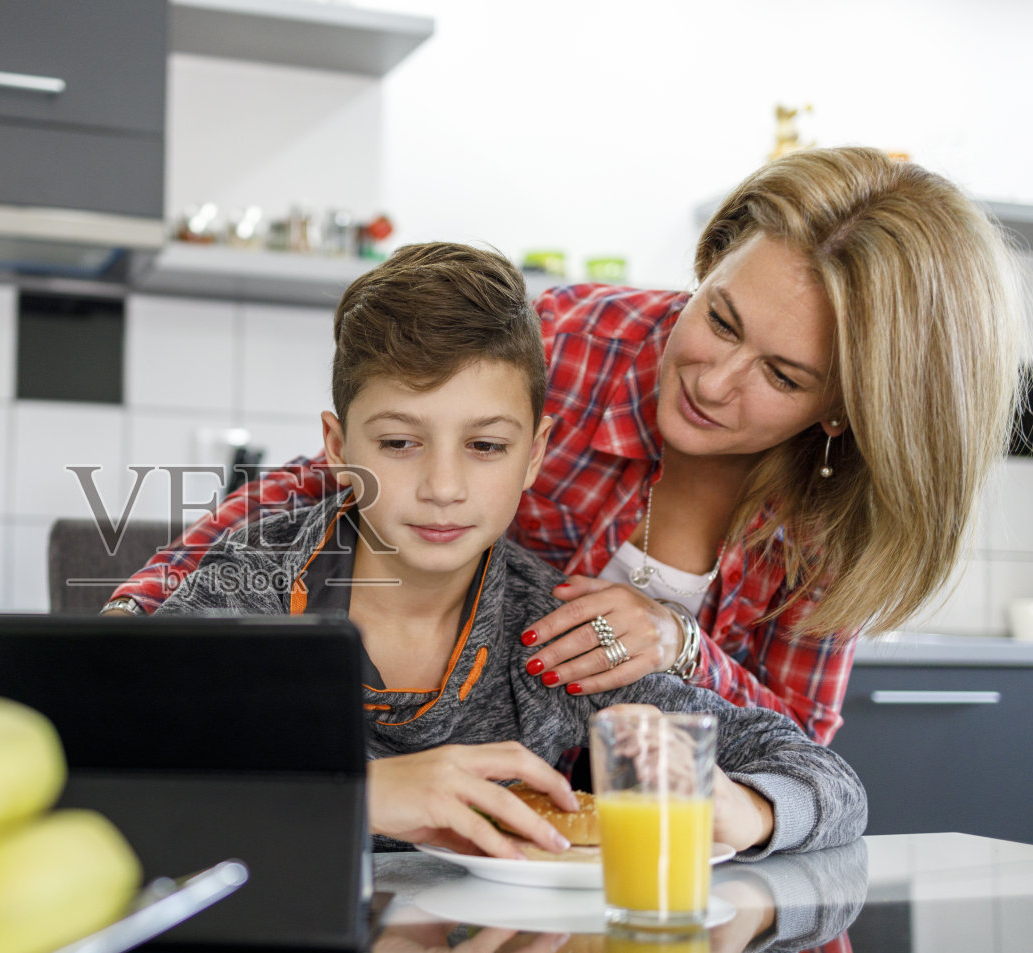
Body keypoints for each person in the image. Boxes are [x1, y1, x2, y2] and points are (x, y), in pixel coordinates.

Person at [109, 147, 1026, 748]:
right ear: (709, 265)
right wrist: (141, 610)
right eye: (719, 317)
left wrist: (680, 645)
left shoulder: (834, 518)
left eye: (782, 376)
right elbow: (332, 486)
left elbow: (792, 751)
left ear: (847, 411)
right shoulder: (569, 344)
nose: (712, 380)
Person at [153, 242, 867, 860]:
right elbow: (106, 761)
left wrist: (747, 808)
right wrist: (359, 794)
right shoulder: (244, 599)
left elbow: (827, 780)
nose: (443, 487)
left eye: (487, 446)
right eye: (399, 442)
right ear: (339, 449)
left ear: (536, 455)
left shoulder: (550, 637)